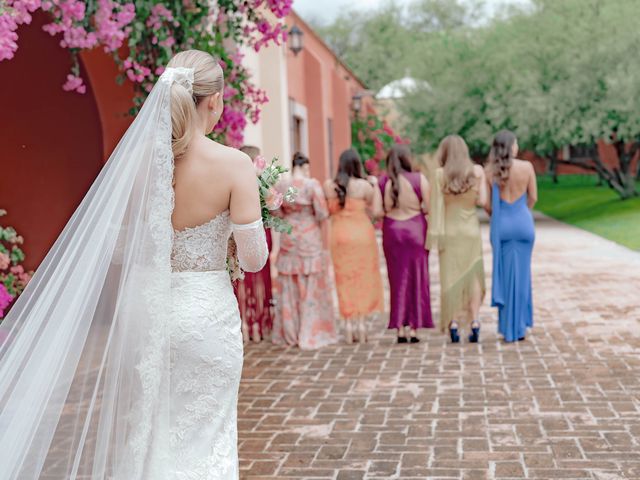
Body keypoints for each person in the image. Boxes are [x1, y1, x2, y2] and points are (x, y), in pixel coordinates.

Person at [0, 50, 268, 479]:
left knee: (150, 426)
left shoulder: (140, 162)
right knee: (205, 431)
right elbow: (254, 261)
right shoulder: (235, 165)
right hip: (203, 315)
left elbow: (128, 244)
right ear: (215, 101)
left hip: (145, 309)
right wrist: (234, 241)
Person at [271, 152, 338, 350]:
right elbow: (322, 212)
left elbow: (276, 210)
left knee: (289, 285)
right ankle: (310, 330)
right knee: (310, 285)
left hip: (289, 236)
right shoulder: (311, 185)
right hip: (309, 237)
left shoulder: (283, 185)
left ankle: (291, 331)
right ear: (306, 166)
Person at [427, 135, 487, 343]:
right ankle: (475, 321)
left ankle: (452, 322)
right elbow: (483, 200)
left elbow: (434, 205)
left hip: (449, 231)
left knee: (450, 275)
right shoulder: (477, 172)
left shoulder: (439, 175)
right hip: (470, 230)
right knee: (473, 275)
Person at [324, 149, 384, 344]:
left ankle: (348, 324)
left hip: (340, 235)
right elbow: (376, 212)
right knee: (364, 277)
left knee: (344, 279)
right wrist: (374, 187)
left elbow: (326, 212)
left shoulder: (329, 186)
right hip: (362, 236)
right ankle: (362, 324)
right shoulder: (365, 186)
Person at [485, 130, 537, 342]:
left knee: (506, 278)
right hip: (523, 223)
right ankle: (521, 327)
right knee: (523, 276)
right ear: (511, 146)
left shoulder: (490, 171)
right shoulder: (527, 167)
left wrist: (502, 215)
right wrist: (522, 212)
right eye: (516, 143)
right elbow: (533, 197)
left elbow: (488, 205)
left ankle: (508, 328)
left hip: (502, 227)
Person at [379, 144, 433, 343]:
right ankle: (414, 328)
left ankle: (400, 328)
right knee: (417, 279)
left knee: (397, 280)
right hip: (416, 230)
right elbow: (428, 207)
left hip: (393, 232)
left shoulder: (383, 182)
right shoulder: (419, 179)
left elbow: (379, 210)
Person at [236, 145, 274, 343]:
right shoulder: (260, 184)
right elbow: (273, 205)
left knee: (243, 280)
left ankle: (246, 323)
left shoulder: (236, 181)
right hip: (257, 233)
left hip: (241, 234)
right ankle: (256, 324)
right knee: (256, 280)